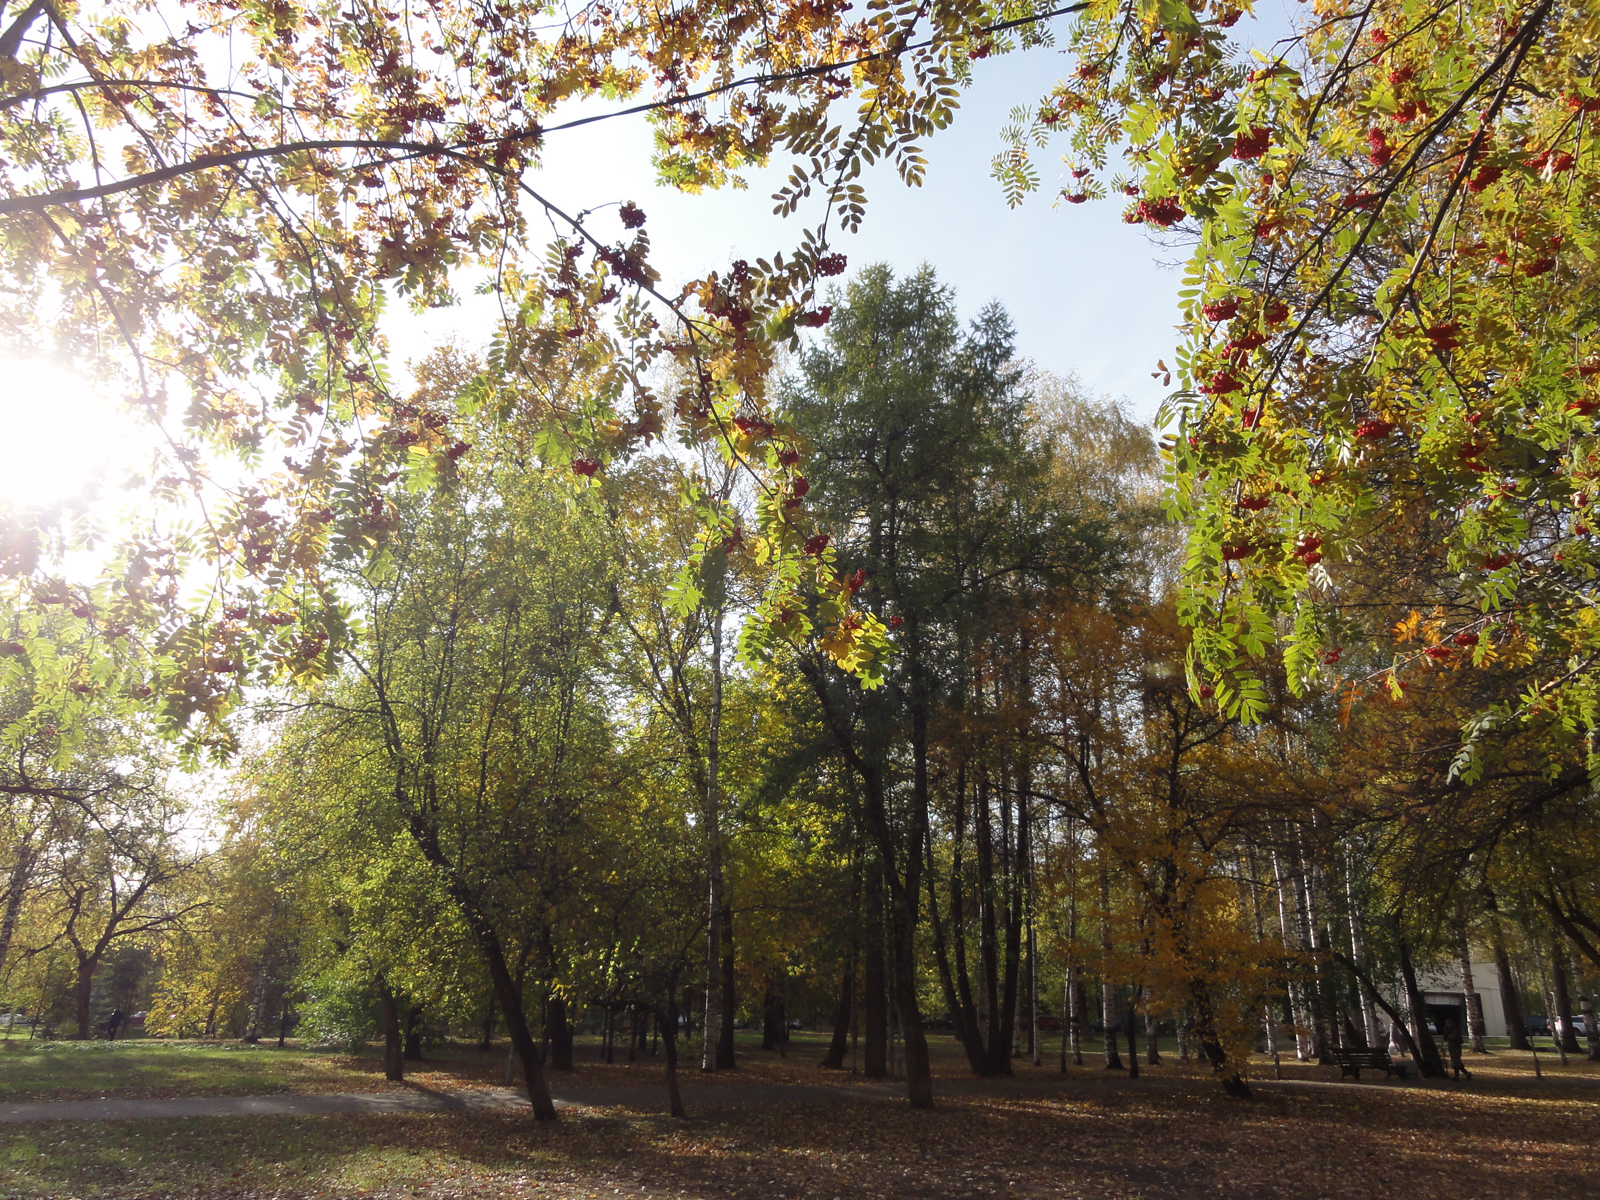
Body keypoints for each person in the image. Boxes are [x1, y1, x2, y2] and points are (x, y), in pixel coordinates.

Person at [1443, 1017, 1470, 1081]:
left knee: (1456, 1062)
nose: (1447, 1025)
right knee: (1456, 1063)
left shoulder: (1455, 1031)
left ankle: (1458, 1076)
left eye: (1448, 1023)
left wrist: (1452, 1038)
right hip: (1451, 1048)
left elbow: (1460, 1040)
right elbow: (1445, 1039)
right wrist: (1446, 1033)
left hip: (1456, 1048)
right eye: (1446, 1024)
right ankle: (1466, 1073)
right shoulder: (1448, 1031)